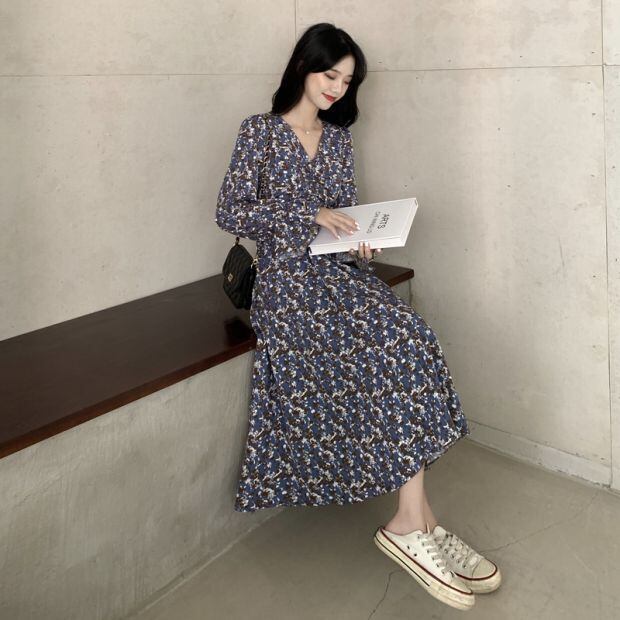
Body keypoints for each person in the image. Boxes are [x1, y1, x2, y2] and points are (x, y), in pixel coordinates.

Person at [214, 22, 501, 610]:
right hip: (286, 284)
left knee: (411, 335)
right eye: (330, 75)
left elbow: (340, 221)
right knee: (390, 344)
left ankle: (418, 519)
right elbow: (230, 211)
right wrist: (309, 215)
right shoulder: (259, 131)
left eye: (347, 81)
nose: (337, 89)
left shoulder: (340, 139)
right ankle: (413, 524)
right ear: (303, 66)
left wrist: (360, 241)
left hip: (337, 274)